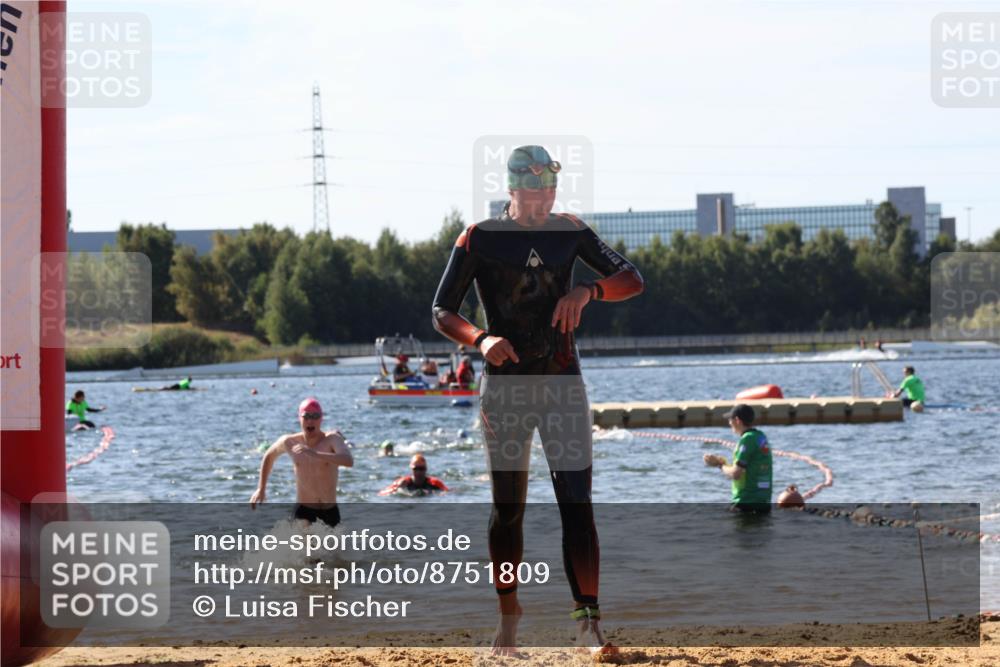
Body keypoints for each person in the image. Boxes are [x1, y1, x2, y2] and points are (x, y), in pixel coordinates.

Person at [431, 145, 644, 655]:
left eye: (550, 191)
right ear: (513, 191)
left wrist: (587, 293)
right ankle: (508, 615)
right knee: (509, 510)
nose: (543, 201)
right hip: (504, 389)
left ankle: (588, 624)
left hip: (562, 384)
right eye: (534, 193)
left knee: (578, 503)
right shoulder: (479, 238)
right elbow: (441, 310)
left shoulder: (569, 230)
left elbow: (632, 279)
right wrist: (480, 339)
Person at [249, 397, 354, 528]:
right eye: (306, 416)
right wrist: (261, 488)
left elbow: (348, 460)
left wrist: (316, 454)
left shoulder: (332, 439)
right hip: (304, 511)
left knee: (337, 549)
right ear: (300, 418)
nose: (310, 421)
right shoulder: (289, 441)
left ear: (321, 419)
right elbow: (269, 456)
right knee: (303, 548)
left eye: (315, 416)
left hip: (330, 511)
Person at [704, 404, 773, 513]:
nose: (729, 423)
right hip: (763, 501)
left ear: (737, 420)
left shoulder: (747, 439)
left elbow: (736, 474)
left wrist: (719, 465)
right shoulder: (761, 436)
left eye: (730, 420)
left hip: (746, 501)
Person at [378, 454, 449, 496]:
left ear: (426, 469)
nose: (418, 472)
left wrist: (441, 494)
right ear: (411, 469)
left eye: (421, 469)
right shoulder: (403, 482)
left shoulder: (434, 483)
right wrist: (397, 489)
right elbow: (381, 494)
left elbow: (448, 492)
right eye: (415, 469)